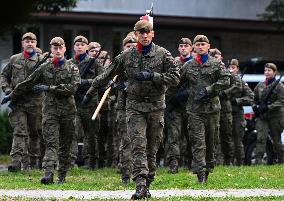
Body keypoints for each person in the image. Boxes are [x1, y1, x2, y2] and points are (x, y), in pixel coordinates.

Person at [82, 20, 180, 199]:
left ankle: (148, 182)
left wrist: (154, 76)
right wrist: (90, 92)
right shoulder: (126, 56)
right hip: (134, 106)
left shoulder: (163, 54)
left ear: (152, 34)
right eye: (140, 32)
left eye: (147, 32)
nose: (144, 35)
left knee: (152, 148)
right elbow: (107, 74)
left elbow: (175, 78)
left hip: (156, 106)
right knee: (138, 146)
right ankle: (140, 184)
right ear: (135, 35)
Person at [1, 37, 80, 184]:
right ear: (51, 50)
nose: (57, 51)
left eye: (59, 48)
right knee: (51, 142)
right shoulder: (45, 67)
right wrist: (11, 95)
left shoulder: (72, 67)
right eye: (54, 48)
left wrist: (49, 88)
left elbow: (72, 88)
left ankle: (62, 174)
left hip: (68, 111)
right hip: (50, 111)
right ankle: (48, 173)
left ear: (64, 49)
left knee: (65, 144)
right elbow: (28, 82)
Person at [180, 35, 230, 183]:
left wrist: (209, 90)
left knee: (210, 142)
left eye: (203, 44)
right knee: (198, 142)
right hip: (194, 110)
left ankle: (208, 168)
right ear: (194, 47)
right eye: (198, 44)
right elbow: (176, 81)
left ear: (208, 46)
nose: (200, 47)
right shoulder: (188, 66)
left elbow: (226, 80)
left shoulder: (216, 64)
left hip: (212, 110)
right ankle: (200, 173)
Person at [0, 32, 43, 171]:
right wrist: (7, 91)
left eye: (32, 41)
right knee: (19, 131)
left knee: (34, 133)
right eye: (27, 41)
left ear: (36, 43)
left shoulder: (42, 61)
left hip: (36, 103)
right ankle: (16, 161)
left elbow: (49, 78)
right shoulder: (14, 59)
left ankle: (33, 162)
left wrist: (41, 86)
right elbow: (4, 75)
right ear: (22, 43)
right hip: (18, 103)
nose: (30, 43)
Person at [71, 35, 103, 169]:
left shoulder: (94, 62)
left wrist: (87, 82)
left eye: (82, 44)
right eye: (77, 44)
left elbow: (102, 79)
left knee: (91, 134)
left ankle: (92, 162)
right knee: (73, 132)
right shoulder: (69, 63)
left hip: (90, 103)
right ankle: (71, 161)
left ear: (86, 47)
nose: (80, 47)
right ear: (74, 47)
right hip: (74, 103)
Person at [165, 37, 193, 173]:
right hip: (174, 106)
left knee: (191, 136)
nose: (183, 48)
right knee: (173, 136)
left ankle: (191, 163)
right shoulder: (173, 63)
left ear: (190, 48)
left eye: (186, 46)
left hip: (190, 106)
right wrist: (169, 101)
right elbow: (168, 83)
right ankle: (173, 165)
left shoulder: (194, 63)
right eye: (181, 46)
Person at [116, 35, 137, 185]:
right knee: (125, 141)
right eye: (127, 46)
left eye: (133, 46)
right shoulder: (119, 62)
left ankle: (140, 173)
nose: (130, 48)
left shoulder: (141, 62)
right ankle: (125, 175)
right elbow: (108, 78)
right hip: (123, 107)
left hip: (140, 107)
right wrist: (114, 85)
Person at [253, 63, 284, 164]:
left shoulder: (279, 86)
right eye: (265, 70)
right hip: (263, 116)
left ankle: (281, 161)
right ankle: (258, 161)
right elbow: (254, 99)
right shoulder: (260, 85)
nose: (266, 72)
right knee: (260, 138)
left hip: (275, 116)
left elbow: (281, 101)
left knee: (277, 140)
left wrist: (268, 107)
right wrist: (255, 107)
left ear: (274, 72)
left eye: (269, 70)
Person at [226, 59, 254, 165]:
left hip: (237, 115)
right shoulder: (225, 81)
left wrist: (237, 101)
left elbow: (250, 97)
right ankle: (227, 163)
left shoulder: (241, 83)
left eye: (233, 68)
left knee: (238, 141)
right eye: (230, 67)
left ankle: (240, 164)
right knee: (227, 140)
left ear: (237, 69)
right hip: (225, 114)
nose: (231, 70)